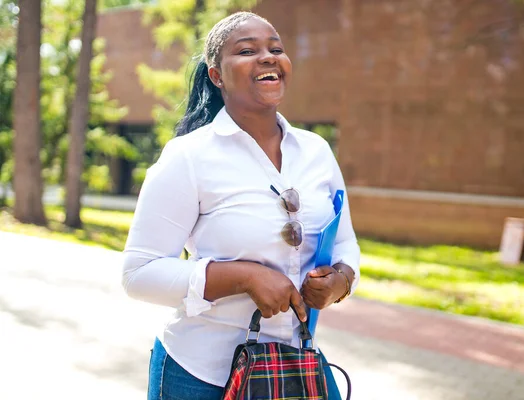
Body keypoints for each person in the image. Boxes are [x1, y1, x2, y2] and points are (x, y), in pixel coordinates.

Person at [122, 11, 360, 400]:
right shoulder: (188, 156)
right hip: (200, 373)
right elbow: (138, 274)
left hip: (298, 364)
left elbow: (347, 243)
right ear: (217, 76)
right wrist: (244, 276)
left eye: (276, 49)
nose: (268, 57)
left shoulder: (316, 151)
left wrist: (340, 282)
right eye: (247, 50)